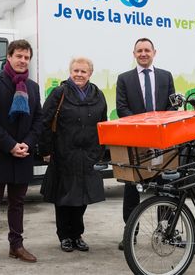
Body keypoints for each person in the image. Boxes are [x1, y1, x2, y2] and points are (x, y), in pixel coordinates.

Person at [0, 39, 43, 271]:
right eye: (19, 56)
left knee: (17, 203)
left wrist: (27, 144)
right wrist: (10, 145)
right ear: (9, 56)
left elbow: (38, 120)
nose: (23, 61)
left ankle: (16, 245)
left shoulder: (33, 87)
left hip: (22, 154)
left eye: (27, 57)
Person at [39, 57, 107, 253]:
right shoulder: (60, 93)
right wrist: (45, 150)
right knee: (64, 198)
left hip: (88, 155)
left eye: (83, 71)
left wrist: (100, 151)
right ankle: (65, 236)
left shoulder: (98, 94)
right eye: (76, 70)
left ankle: (77, 234)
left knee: (82, 198)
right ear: (70, 71)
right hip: (64, 155)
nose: (79, 74)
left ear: (90, 74)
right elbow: (45, 121)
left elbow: (102, 123)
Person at [116, 37, 175, 250]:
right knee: (132, 189)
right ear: (134, 54)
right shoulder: (124, 79)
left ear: (154, 52)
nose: (143, 54)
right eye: (139, 50)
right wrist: (143, 128)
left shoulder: (165, 76)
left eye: (147, 50)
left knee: (164, 187)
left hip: (161, 142)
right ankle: (130, 233)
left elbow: (171, 107)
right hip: (135, 143)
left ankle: (166, 230)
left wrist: (157, 128)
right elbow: (122, 108)